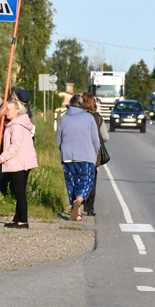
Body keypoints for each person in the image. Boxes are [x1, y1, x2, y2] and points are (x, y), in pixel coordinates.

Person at [56, 93, 101, 221]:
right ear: (83, 104)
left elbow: (58, 140)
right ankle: (79, 200)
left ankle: (77, 212)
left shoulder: (64, 118)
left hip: (68, 157)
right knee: (86, 182)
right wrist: (95, 152)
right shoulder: (88, 117)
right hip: (85, 156)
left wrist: (64, 150)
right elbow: (95, 140)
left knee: (72, 183)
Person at [0, 100, 38, 229]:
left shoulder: (17, 125)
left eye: (8, 109)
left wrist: (1, 158)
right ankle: (17, 219)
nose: (6, 112)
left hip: (20, 162)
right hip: (20, 161)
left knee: (19, 192)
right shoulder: (14, 124)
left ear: (17, 111)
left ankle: (23, 221)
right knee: (18, 190)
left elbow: (15, 146)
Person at [81, 93, 110, 216]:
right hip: (94, 155)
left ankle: (76, 205)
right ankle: (89, 208)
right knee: (92, 181)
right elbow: (106, 137)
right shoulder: (98, 118)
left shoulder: (79, 116)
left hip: (79, 153)